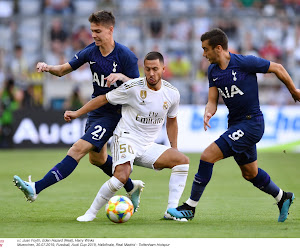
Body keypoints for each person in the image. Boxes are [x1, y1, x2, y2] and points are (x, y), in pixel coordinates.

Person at [13, 10, 144, 212]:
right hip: (96, 111)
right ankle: (131, 186)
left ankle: (35, 188)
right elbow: (64, 69)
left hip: (114, 114)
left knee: (77, 149)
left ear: (110, 30)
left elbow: (138, 88)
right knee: (97, 159)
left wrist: (121, 77)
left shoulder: (126, 56)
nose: (93, 35)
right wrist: (48, 67)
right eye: (92, 30)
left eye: (98, 31)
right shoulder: (91, 51)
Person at [167, 28, 300, 222]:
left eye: (206, 49)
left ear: (218, 48)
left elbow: (278, 68)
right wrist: (208, 111)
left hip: (252, 123)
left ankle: (190, 207)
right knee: (250, 173)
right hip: (236, 125)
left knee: (207, 156)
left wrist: (294, 91)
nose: (203, 54)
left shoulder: (244, 63)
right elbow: (212, 99)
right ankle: (282, 197)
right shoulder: (213, 70)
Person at [64, 51, 190, 222]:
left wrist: (174, 148)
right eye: (147, 69)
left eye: (155, 69)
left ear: (163, 69)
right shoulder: (133, 88)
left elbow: (172, 121)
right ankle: (91, 213)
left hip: (147, 146)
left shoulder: (172, 93)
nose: (151, 74)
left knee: (182, 161)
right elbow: (103, 99)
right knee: (122, 175)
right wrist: (77, 113)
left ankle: (171, 211)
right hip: (126, 138)